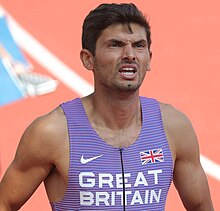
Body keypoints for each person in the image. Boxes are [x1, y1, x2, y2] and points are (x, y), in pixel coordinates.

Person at [0, 3, 214, 211]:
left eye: (139, 45)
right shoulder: (52, 133)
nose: (130, 54)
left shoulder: (174, 127)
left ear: (149, 59)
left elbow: (200, 207)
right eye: (115, 45)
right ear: (88, 59)